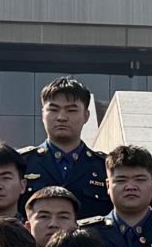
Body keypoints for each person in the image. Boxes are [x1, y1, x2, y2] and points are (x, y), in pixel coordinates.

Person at [21, 76, 109, 218]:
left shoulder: (104, 167)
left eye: (71, 110)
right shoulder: (21, 163)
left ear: (86, 116)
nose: (61, 117)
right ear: (43, 114)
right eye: (53, 110)